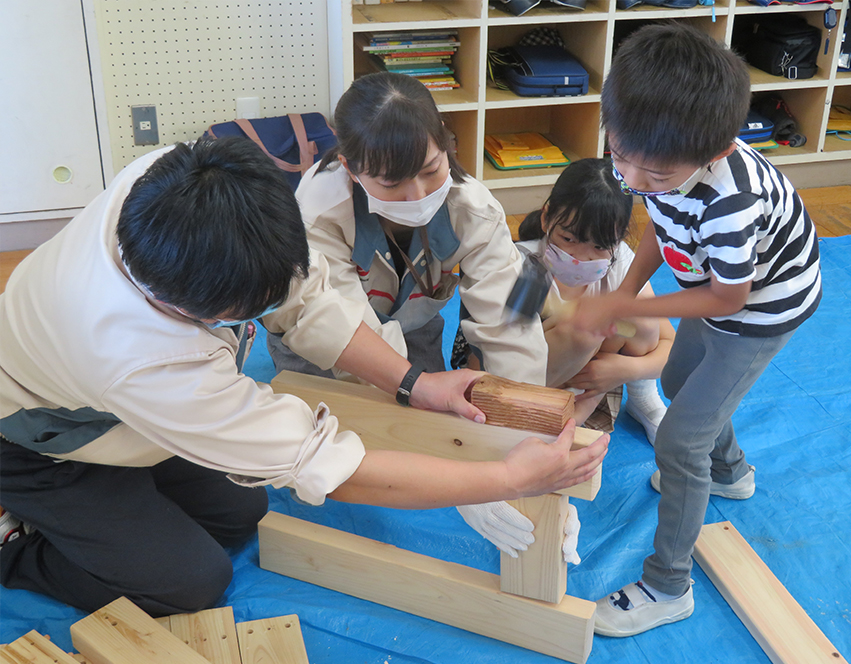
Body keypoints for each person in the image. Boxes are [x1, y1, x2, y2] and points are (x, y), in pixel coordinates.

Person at [0, 137, 607, 617]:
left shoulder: (182, 182)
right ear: (193, 309)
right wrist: (497, 476)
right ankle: (15, 546)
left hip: (119, 407)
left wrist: (413, 383)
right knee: (191, 582)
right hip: (43, 441)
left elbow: (307, 300)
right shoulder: (140, 358)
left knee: (238, 516)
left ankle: (111, 508)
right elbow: (324, 463)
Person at [568, 24, 822, 637]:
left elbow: (728, 296)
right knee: (682, 377)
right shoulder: (657, 165)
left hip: (761, 312)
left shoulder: (731, 204)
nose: (629, 177)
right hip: (717, 286)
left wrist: (628, 312)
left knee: (680, 442)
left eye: (652, 173)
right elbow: (661, 222)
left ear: (713, 151)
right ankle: (730, 473)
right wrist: (626, 294)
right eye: (618, 152)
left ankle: (667, 585)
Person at [266, 71, 560, 562]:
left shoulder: (474, 206)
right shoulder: (316, 212)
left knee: (437, 413)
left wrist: (530, 429)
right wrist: (469, 480)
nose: (417, 193)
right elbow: (340, 331)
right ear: (350, 168)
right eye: (392, 183)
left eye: (430, 169)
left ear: (447, 146)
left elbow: (511, 322)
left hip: (416, 323)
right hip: (324, 346)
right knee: (333, 443)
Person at [515, 158, 674, 442]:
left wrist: (624, 370)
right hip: (532, 381)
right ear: (546, 217)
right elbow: (494, 366)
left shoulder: (620, 261)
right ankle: (559, 430)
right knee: (586, 332)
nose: (582, 257)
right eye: (569, 239)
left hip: (591, 381)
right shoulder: (524, 268)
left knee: (638, 320)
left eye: (601, 246)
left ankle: (643, 399)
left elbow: (667, 345)